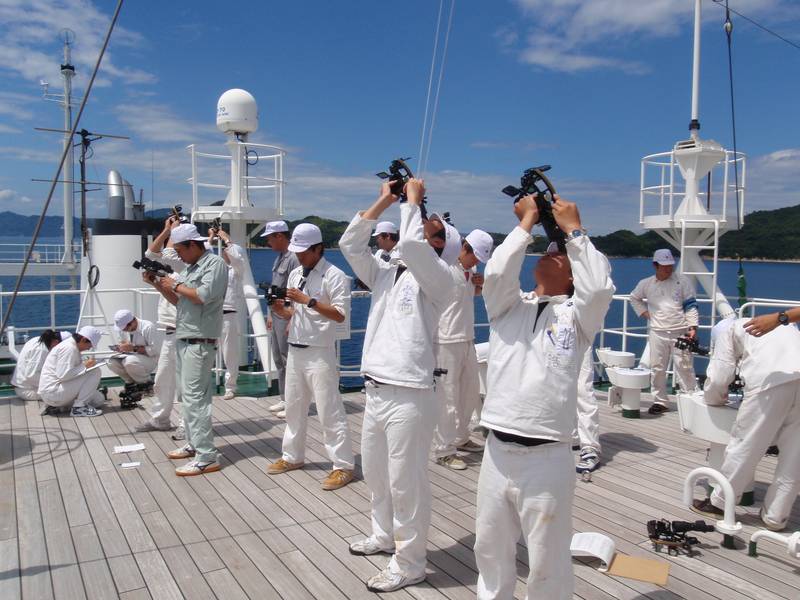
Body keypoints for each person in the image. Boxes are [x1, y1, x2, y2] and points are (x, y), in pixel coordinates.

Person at [475, 194, 614, 600]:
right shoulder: (507, 307)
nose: (551, 252)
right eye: (549, 247)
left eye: (560, 253)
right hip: (496, 451)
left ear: (572, 275)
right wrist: (526, 223)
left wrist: (575, 232)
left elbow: (599, 288)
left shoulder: (579, 318)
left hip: (548, 456)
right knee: (490, 548)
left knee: (547, 560)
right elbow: (497, 272)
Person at [339, 178, 457, 592]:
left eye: (433, 230)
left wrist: (412, 203)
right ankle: (383, 534)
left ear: (442, 247)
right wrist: (385, 201)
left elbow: (410, 245)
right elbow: (350, 244)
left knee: (406, 483)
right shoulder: (386, 273)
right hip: (375, 389)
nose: (424, 228)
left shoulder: (443, 279)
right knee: (375, 474)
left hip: (410, 395)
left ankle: (410, 562)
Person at [265, 223, 355, 490]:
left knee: (329, 411)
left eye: (304, 251)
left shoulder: (335, 276)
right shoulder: (295, 275)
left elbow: (340, 315)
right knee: (294, 408)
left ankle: (343, 465)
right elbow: (293, 313)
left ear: (319, 249)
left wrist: (309, 301)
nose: (300, 256)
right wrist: (279, 309)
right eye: (297, 251)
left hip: (320, 352)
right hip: (296, 349)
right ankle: (292, 456)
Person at [693, 317, 800, 531]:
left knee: (746, 444)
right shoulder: (784, 327)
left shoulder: (727, 330)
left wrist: (714, 399)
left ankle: (720, 503)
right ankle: (776, 516)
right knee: (795, 453)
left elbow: (720, 375)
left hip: (770, 381)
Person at [144, 222, 228, 477]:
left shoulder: (215, 264)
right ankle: (194, 444)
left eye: (180, 250)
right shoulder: (192, 267)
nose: (178, 256)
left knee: (195, 400)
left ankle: (206, 456)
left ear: (193, 245)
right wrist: (158, 284)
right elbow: (180, 301)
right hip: (186, 338)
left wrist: (174, 284)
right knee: (188, 398)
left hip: (200, 341)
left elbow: (203, 295)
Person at [432, 229, 493, 470]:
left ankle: (460, 437)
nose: (477, 262)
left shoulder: (471, 270)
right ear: (465, 248)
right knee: (447, 398)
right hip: (445, 340)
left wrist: (480, 286)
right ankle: (444, 450)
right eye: (475, 256)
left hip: (467, 338)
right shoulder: (445, 267)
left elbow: (466, 295)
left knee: (470, 393)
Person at [630, 248, 699, 414]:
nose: (668, 269)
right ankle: (660, 401)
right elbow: (634, 298)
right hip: (658, 332)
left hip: (680, 330)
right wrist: (646, 314)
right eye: (665, 266)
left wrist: (693, 326)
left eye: (670, 265)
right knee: (658, 368)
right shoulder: (646, 284)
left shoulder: (682, 281)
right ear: (655, 265)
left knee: (684, 366)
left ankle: (691, 398)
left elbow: (690, 304)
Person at [135, 215, 186, 435]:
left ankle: (186, 424)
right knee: (163, 379)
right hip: (170, 331)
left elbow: (158, 253)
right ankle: (160, 419)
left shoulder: (184, 266)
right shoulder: (171, 267)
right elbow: (150, 254)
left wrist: (172, 230)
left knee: (185, 383)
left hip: (184, 330)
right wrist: (167, 230)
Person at [260, 220, 301, 418]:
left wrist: (291, 317)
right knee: (278, 358)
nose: (268, 243)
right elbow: (274, 289)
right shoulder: (279, 258)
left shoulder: (293, 258)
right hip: (276, 314)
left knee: (288, 359)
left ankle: (293, 402)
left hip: (286, 314)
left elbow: (296, 291)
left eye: (270, 238)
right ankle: (284, 398)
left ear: (279, 236)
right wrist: (270, 314)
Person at [209, 226, 245, 401]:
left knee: (230, 353)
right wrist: (211, 238)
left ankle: (230, 386)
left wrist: (227, 240)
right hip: (210, 313)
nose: (225, 251)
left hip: (228, 314)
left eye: (228, 250)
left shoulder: (236, 271)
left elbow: (237, 259)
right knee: (205, 349)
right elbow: (204, 256)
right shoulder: (214, 268)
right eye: (224, 249)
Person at [38, 326, 107, 417]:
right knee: (95, 371)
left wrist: (85, 366)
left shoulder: (71, 346)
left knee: (98, 400)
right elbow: (63, 375)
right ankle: (79, 409)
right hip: (53, 392)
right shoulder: (69, 348)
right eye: (89, 345)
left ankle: (58, 407)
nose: (89, 348)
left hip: (52, 392)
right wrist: (85, 366)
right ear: (83, 339)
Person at [107, 309, 159, 388]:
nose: (123, 330)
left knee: (129, 361)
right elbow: (122, 342)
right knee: (110, 361)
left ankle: (146, 383)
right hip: (130, 356)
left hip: (150, 359)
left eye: (124, 328)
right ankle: (131, 383)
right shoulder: (122, 329)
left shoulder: (148, 327)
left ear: (131, 322)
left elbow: (156, 350)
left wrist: (134, 348)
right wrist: (121, 348)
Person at [11, 330, 65, 400]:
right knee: (65, 393)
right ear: (56, 342)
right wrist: (54, 382)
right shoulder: (40, 350)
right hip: (27, 390)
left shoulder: (37, 340)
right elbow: (31, 375)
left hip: (25, 386)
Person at [575, 344, 602, 473]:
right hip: (547, 338)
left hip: (578, 339)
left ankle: (589, 446)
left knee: (583, 391)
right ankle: (572, 436)